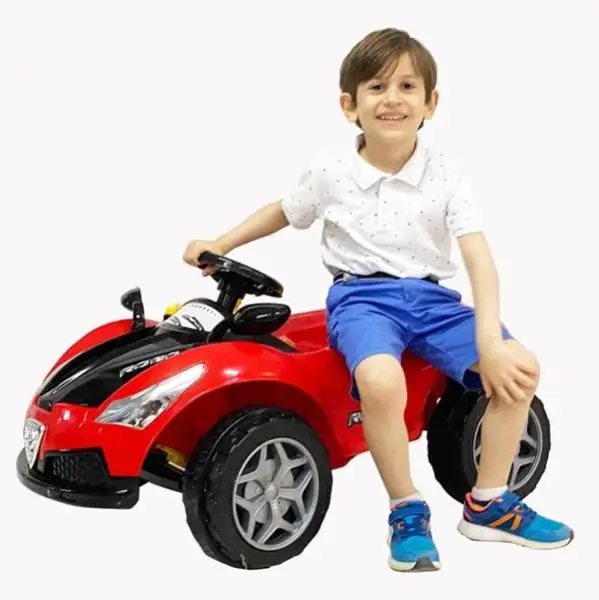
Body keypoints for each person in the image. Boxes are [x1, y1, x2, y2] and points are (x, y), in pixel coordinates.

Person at [183, 28, 573, 572]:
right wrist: (222, 243)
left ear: (431, 103)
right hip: (362, 298)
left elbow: (480, 259)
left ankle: (489, 503)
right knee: (381, 379)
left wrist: (490, 339)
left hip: (433, 301)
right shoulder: (331, 173)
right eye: (377, 87)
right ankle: (406, 508)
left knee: (520, 369)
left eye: (407, 86)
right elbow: (284, 210)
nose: (393, 99)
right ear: (351, 105)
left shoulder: (446, 173)